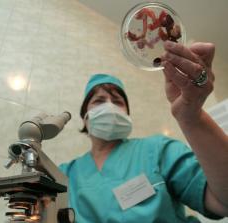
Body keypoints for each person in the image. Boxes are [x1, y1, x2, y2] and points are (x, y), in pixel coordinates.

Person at [59, 41, 228, 223]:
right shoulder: (65, 175)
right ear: (85, 116)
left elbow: (222, 201)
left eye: (117, 102)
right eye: (99, 101)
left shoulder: (157, 150)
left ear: (126, 115)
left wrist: (192, 117)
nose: (110, 106)